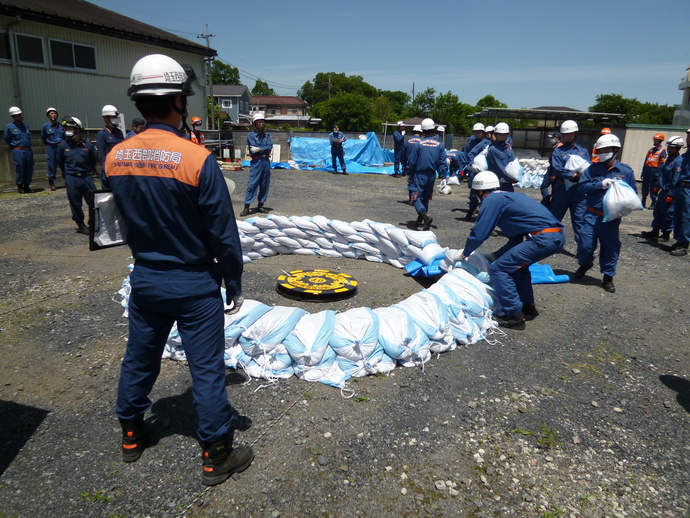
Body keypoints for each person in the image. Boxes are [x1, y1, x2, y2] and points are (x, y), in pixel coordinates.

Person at [105, 53, 253, 486]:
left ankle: (131, 433)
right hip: (193, 282)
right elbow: (223, 234)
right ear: (176, 100)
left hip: (147, 277)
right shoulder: (196, 159)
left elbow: (116, 219)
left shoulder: (116, 157)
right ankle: (216, 456)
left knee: (140, 355)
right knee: (206, 369)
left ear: (138, 102)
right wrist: (234, 279)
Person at [458, 171, 565, 330]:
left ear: (480, 191)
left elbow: (480, 232)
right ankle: (528, 308)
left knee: (500, 268)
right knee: (518, 269)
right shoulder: (509, 196)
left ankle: (514, 316)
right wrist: (494, 255)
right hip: (555, 237)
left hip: (542, 238)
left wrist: (464, 253)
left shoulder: (492, 199)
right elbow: (516, 240)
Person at [575, 133, 637, 293]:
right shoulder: (592, 169)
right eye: (600, 150)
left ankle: (608, 277)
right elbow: (581, 188)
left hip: (611, 218)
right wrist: (600, 185)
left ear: (615, 150)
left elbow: (632, 195)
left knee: (610, 248)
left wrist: (625, 209)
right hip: (590, 215)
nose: (602, 153)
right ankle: (586, 263)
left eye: (606, 150)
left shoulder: (626, 172)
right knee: (585, 245)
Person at [548, 120, 591, 250]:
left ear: (575, 134)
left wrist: (582, 177)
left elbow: (588, 168)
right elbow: (557, 168)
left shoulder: (583, 151)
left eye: (570, 134)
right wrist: (573, 176)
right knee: (554, 218)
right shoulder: (558, 151)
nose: (568, 136)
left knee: (580, 221)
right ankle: (548, 245)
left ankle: (582, 251)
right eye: (565, 134)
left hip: (579, 191)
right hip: (562, 190)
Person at [57, 117, 96, 235]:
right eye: (66, 129)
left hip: (86, 177)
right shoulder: (63, 146)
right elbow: (60, 162)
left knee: (94, 201)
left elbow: (92, 162)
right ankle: (80, 224)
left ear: (78, 130)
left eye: (70, 128)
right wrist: (68, 176)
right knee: (75, 202)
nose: (67, 131)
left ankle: (93, 222)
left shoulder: (88, 146)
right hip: (71, 177)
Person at [407, 118, 447, 230]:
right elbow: (443, 162)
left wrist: (409, 173)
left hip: (420, 174)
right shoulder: (439, 145)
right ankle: (421, 220)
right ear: (433, 129)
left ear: (423, 131)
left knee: (415, 197)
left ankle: (425, 215)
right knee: (425, 198)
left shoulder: (419, 145)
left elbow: (412, 161)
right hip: (432, 175)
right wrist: (443, 177)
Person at [642, 136, 684, 242]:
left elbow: (675, 179)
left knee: (668, 213)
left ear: (678, 148)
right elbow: (663, 173)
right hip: (663, 190)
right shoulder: (669, 160)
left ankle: (665, 234)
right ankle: (655, 230)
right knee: (658, 211)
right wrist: (657, 186)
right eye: (669, 147)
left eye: (672, 148)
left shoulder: (678, 162)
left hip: (669, 192)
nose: (669, 149)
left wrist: (671, 194)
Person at [240, 112, 273, 217]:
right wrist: (262, 149)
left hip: (265, 161)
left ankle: (260, 205)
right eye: (259, 123)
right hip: (256, 162)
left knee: (264, 184)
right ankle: (247, 207)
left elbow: (269, 146)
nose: (261, 125)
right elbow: (252, 149)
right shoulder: (251, 136)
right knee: (252, 184)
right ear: (255, 124)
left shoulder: (267, 136)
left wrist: (259, 149)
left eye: (262, 123)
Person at [668, 129, 690, 256]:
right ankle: (679, 240)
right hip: (681, 187)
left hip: (688, 187)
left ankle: (684, 244)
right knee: (678, 214)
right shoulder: (686, 153)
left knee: (686, 216)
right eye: (687, 136)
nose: (687, 138)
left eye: (689, 136)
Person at [4, 106, 34, 193]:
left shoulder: (26, 125)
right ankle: (20, 186)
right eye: (17, 115)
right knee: (20, 167)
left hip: (28, 149)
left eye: (20, 114)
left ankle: (27, 186)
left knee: (29, 167)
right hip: (18, 150)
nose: (19, 116)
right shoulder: (10, 127)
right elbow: (7, 138)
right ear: (13, 117)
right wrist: (13, 146)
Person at [97, 104, 125, 189]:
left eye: (116, 116)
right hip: (109, 169)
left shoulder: (119, 132)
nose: (115, 119)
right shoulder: (102, 134)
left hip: (120, 168)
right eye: (113, 117)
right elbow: (102, 156)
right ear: (106, 118)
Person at [485, 122, 517, 191]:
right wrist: (510, 178)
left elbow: (513, 161)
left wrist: (517, 174)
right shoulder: (493, 149)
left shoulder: (507, 147)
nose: (502, 137)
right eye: (500, 135)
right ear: (495, 135)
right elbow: (499, 167)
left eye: (504, 135)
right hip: (497, 181)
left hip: (507, 182)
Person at [640, 133, 667, 208]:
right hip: (648, 169)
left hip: (655, 170)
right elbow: (646, 161)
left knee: (654, 186)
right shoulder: (651, 150)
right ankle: (643, 200)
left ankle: (653, 201)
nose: (654, 141)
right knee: (645, 186)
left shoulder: (662, 151)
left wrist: (658, 173)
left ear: (660, 141)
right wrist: (643, 171)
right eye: (654, 139)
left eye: (656, 140)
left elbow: (661, 164)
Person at [41, 107, 65, 191]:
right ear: (48, 115)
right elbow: (43, 137)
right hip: (51, 147)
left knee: (64, 164)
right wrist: (49, 144)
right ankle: (51, 183)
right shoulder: (45, 126)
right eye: (51, 113)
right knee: (52, 165)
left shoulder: (61, 126)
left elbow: (65, 137)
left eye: (54, 113)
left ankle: (67, 181)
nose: (53, 115)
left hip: (61, 146)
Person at [402, 124, 423, 203]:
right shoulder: (422, 143)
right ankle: (416, 198)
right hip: (419, 165)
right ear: (421, 133)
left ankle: (410, 198)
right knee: (418, 182)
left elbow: (403, 155)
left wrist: (403, 166)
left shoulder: (407, 142)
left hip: (409, 165)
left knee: (410, 181)